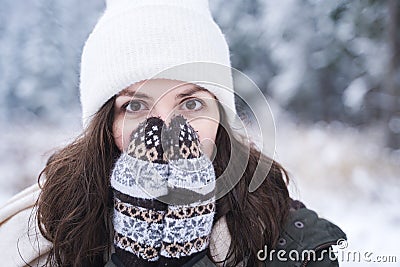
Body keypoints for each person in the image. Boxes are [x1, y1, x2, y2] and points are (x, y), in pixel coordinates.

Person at [0, 0, 347, 266]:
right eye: (135, 107)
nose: (167, 130)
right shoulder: (39, 235)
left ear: (221, 117)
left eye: (191, 104)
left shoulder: (295, 242)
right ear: (105, 126)